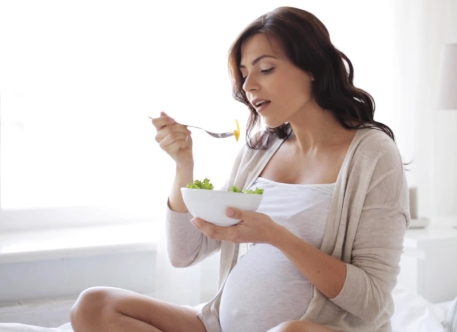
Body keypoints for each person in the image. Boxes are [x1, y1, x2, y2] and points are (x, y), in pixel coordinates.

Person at [69, 6, 409, 332]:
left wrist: (273, 235)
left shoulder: (372, 154)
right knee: (95, 305)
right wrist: (184, 165)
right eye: (244, 74)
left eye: (265, 69)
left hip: (317, 328)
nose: (248, 87)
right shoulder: (260, 148)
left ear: (313, 68)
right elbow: (185, 253)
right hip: (218, 325)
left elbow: (372, 301)